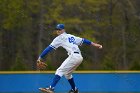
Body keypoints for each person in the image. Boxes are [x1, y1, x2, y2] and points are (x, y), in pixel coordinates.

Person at [37, 24, 102, 93]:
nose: (58, 31)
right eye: (57, 29)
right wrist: (94, 44)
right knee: (67, 74)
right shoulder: (71, 36)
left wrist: (40, 57)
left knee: (59, 70)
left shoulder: (59, 38)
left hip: (74, 56)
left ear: (63, 30)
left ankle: (51, 88)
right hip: (79, 57)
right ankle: (74, 89)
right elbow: (83, 40)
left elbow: (49, 48)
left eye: (60, 29)